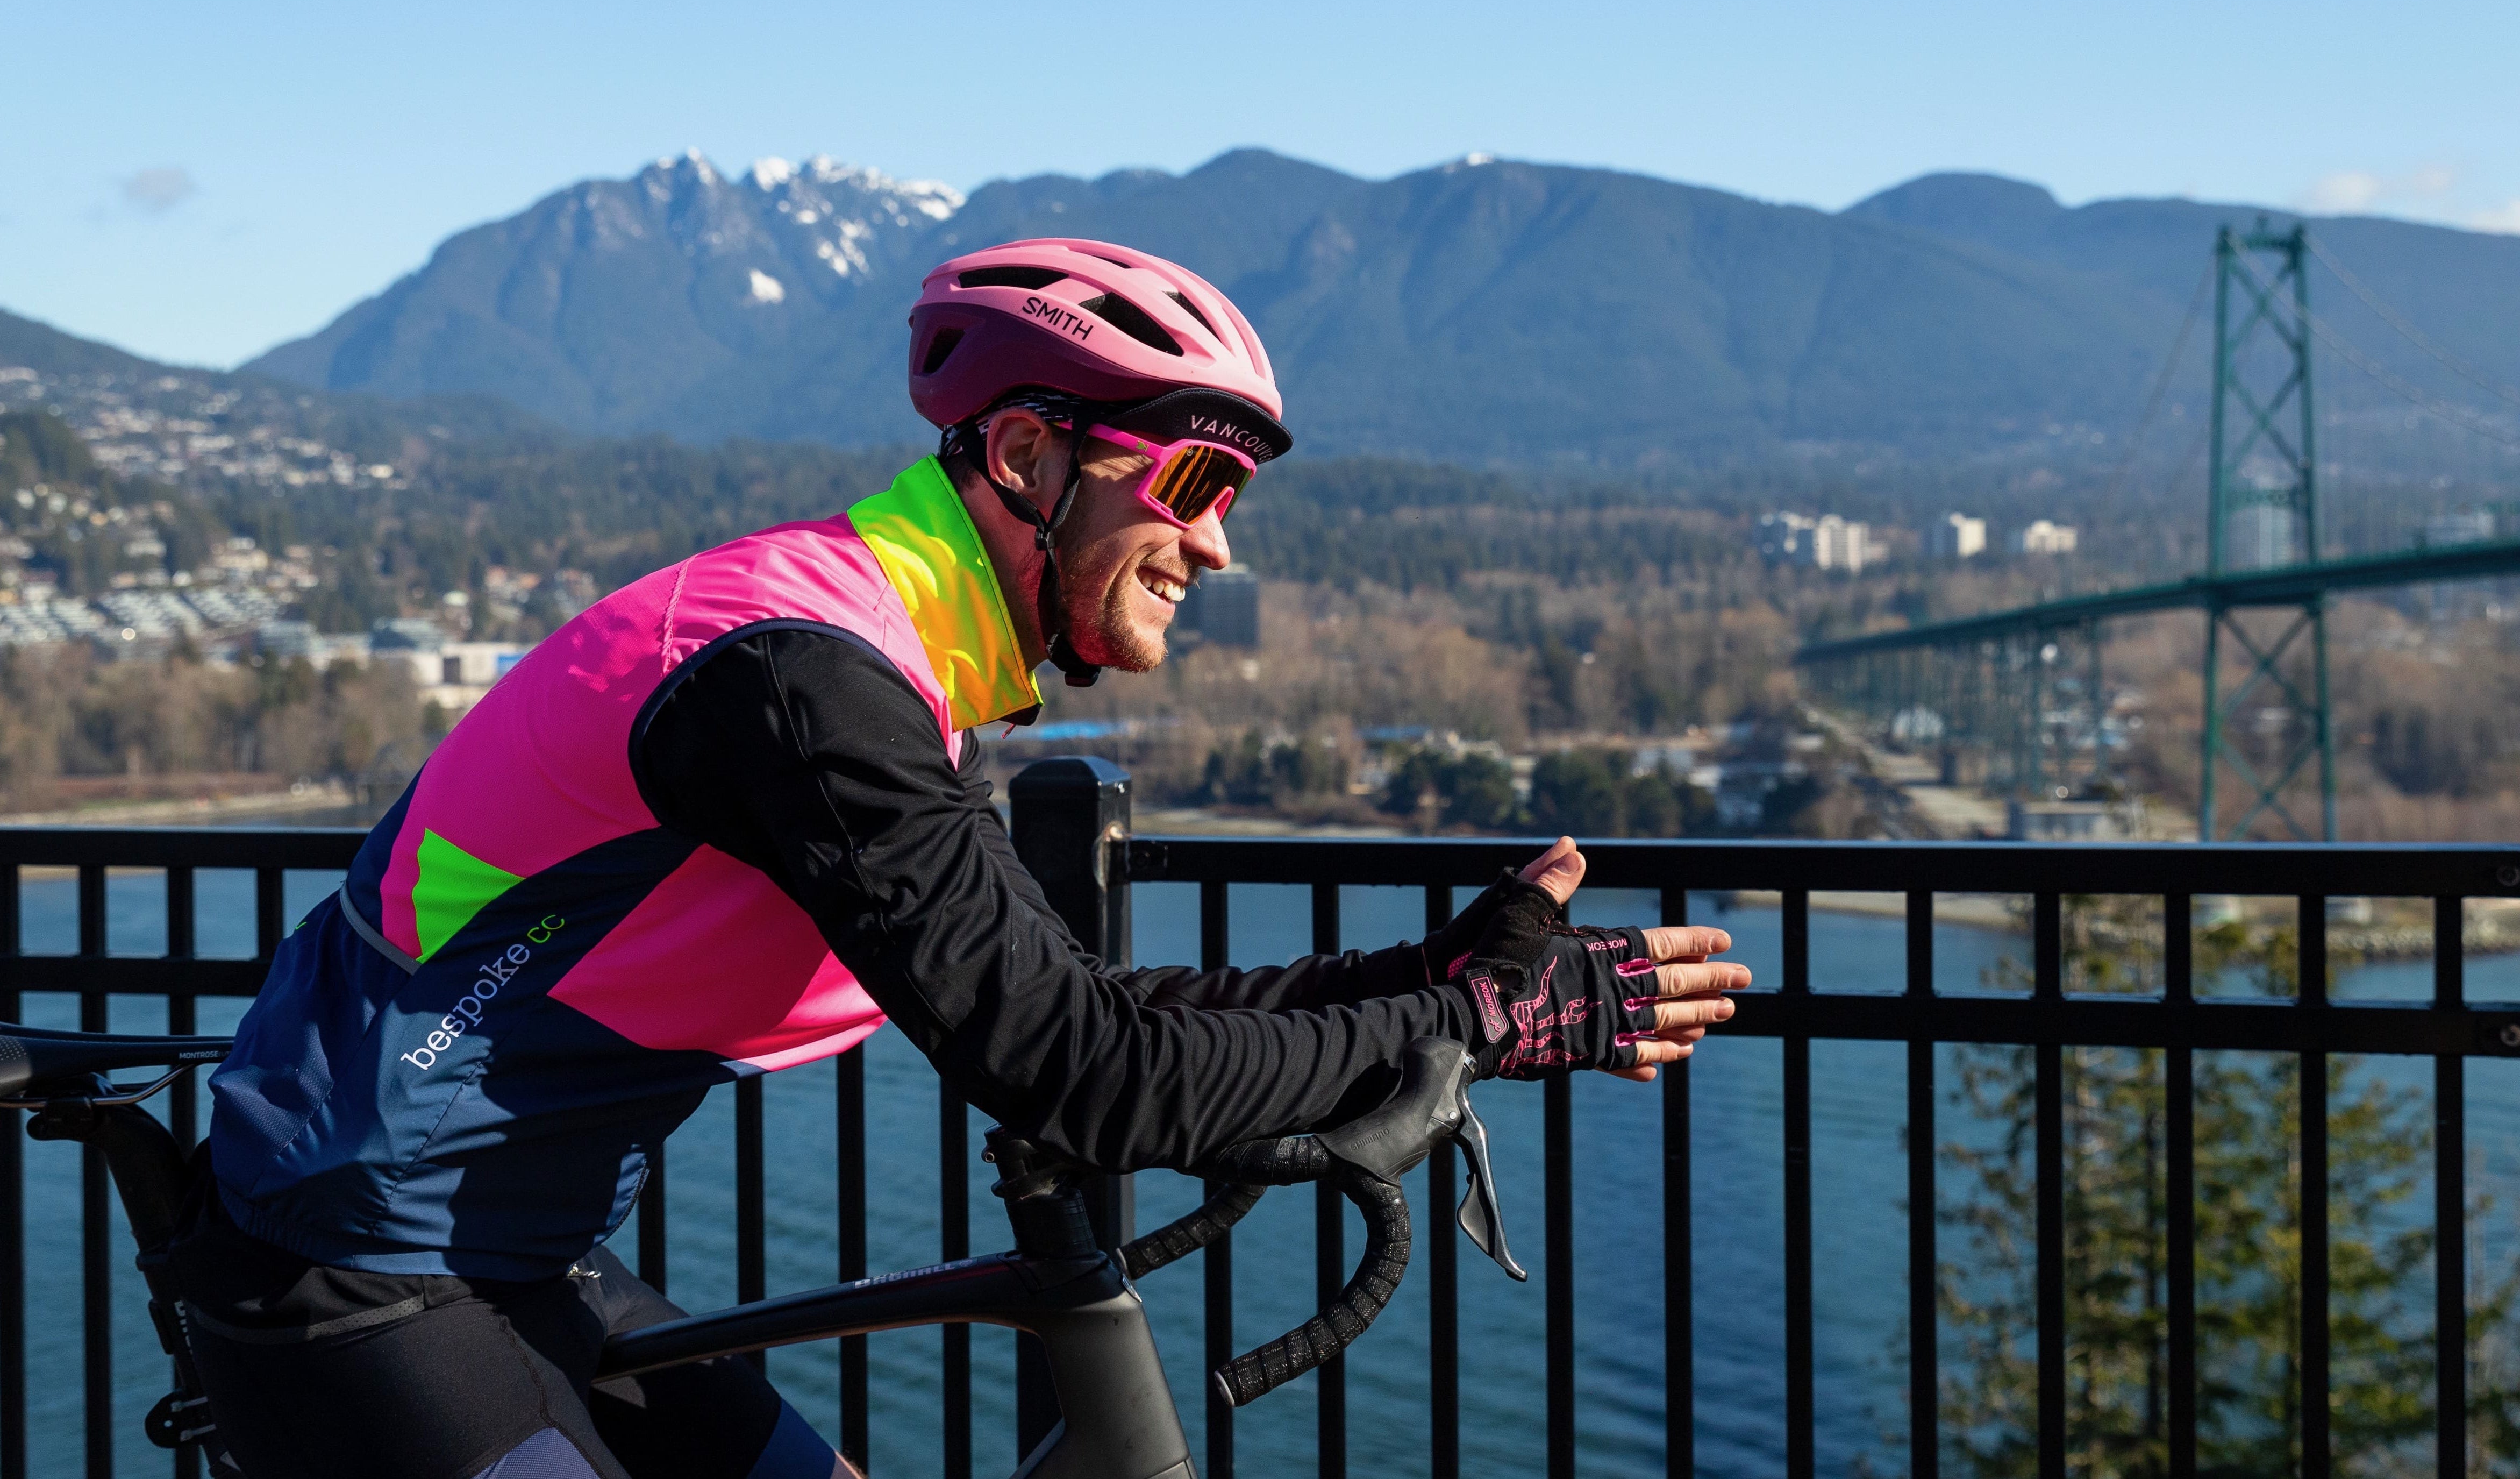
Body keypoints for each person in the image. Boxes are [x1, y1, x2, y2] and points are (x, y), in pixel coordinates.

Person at [167, 238, 1751, 1479]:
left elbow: (1073, 1003)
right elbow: (1083, 1071)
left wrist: (1436, 981)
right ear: (1022, 455)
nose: (1220, 545)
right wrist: (1468, 1025)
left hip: (512, 1250)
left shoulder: (873, 658)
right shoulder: (802, 685)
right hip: (357, 1271)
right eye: (1195, 484)